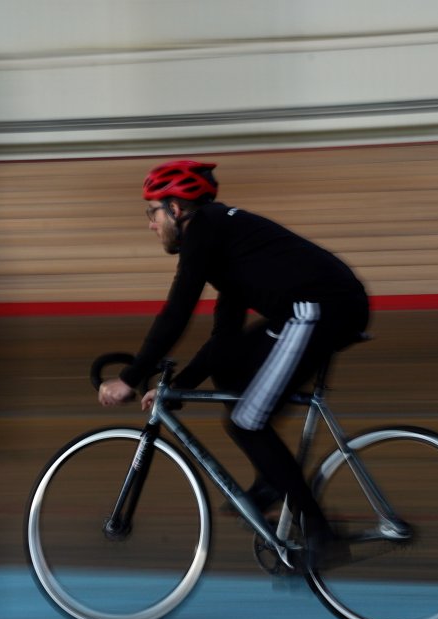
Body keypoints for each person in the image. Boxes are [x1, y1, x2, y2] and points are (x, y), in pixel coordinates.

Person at [97, 159, 369, 568]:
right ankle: (271, 481)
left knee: (246, 420)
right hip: (320, 309)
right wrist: (180, 388)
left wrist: (129, 377)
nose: (150, 223)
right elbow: (223, 339)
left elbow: (177, 312)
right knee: (233, 368)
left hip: (318, 310)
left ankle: (321, 535)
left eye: (151, 211)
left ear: (175, 209)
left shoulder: (205, 230)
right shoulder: (227, 240)